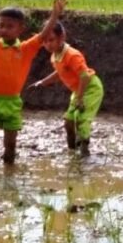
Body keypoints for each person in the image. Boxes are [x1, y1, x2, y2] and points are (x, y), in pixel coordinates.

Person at [0, 0, 65, 166]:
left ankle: (9, 173)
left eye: (10, 26)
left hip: (12, 102)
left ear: (20, 29)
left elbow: (43, 34)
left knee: (11, 142)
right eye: (2, 25)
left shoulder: (26, 49)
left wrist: (55, 14)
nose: (5, 29)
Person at [28, 22, 104, 157]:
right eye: (44, 42)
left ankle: (84, 151)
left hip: (91, 88)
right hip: (78, 91)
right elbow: (59, 72)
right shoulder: (55, 56)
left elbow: (85, 76)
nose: (47, 45)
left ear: (61, 37)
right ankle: (72, 151)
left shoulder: (72, 55)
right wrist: (43, 82)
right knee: (68, 122)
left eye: (51, 40)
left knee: (81, 118)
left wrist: (80, 97)